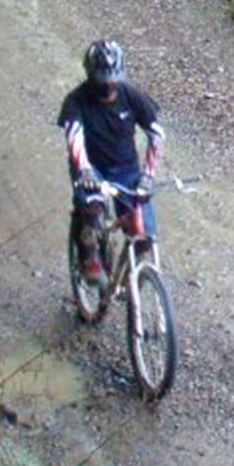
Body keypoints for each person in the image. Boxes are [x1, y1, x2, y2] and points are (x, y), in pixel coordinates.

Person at [58, 40, 165, 284]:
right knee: (91, 209)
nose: (107, 87)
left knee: (144, 233)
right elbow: (73, 136)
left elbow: (156, 134)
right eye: (101, 81)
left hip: (126, 169)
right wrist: (84, 170)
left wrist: (148, 174)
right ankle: (88, 256)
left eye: (112, 81)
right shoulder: (76, 100)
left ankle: (131, 276)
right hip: (91, 168)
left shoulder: (132, 96)